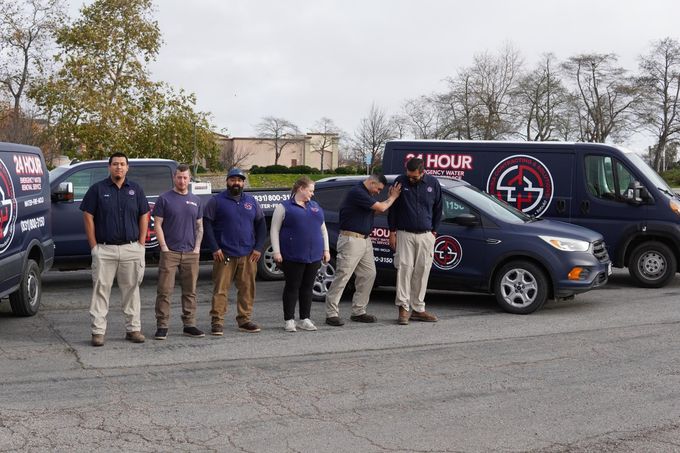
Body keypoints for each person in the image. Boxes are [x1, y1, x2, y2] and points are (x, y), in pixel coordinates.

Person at [81, 152, 150, 346]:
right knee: (101, 290)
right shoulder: (97, 189)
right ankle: (98, 332)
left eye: (122, 164)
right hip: (105, 250)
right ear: (109, 167)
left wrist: (141, 244)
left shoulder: (135, 190)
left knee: (131, 291)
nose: (119, 167)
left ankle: (133, 329)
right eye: (115, 164)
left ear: (127, 168)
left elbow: (144, 215)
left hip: (131, 249)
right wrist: (94, 246)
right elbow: (88, 216)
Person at [324, 174, 402, 327]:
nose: (378, 192)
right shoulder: (357, 192)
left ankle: (359, 311)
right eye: (378, 189)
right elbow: (381, 207)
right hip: (351, 240)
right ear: (372, 182)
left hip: (365, 240)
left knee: (368, 274)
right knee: (343, 276)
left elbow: (375, 211)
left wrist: (386, 201)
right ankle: (331, 313)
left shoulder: (365, 194)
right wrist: (392, 197)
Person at [203, 168, 266, 334]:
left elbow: (261, 225)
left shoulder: (251, 201)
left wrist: (259, 247)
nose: (236, 183)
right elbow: (207, 224)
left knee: (247, 289)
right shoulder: (216, 201)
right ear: (227, 181)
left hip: (247, 254)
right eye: (233, 180)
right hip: (224, 254)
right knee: (220, 290)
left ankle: (244, 319)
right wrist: (214, 247)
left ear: (243, 182)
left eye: (239, 180)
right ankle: (217, 322)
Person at [270, 176, 330, 332]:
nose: (312, 194)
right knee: (292, 287)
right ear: (301, 189)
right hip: (292, 255)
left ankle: (305, 318)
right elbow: (274, 230)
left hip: (314, 255)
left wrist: (326, 249)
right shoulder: (284, 207)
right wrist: (277, 251)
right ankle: (289, 319)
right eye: (310, 190)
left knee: (307, 287)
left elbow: (323, 229)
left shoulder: (315, 206)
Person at [388, 157, 442, 325]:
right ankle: (403, 309)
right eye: (408, 175)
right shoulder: (400, 182)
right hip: (405, 233)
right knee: (404, 270)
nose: (410, 179)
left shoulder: (433, 183)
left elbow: (438, 208)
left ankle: (418, 309)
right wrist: (392, 232)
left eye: (414, 176)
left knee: (422, 270)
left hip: (426, 235)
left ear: (422, 172)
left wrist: (434, 232)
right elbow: (393, 208)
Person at [153, 164, 204, 340]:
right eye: (179, 177)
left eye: (185, 177)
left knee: (190, 291)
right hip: (170, 253)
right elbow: (157, 224)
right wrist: (164, 248)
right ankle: (162, 325)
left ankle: (189, 324)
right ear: (174, 178)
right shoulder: (164, 199)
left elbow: (199, 226)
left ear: (189, 179)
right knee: (165, 291)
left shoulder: (196, 200)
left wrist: (197, 249)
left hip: (190, 253)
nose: (182, 180)